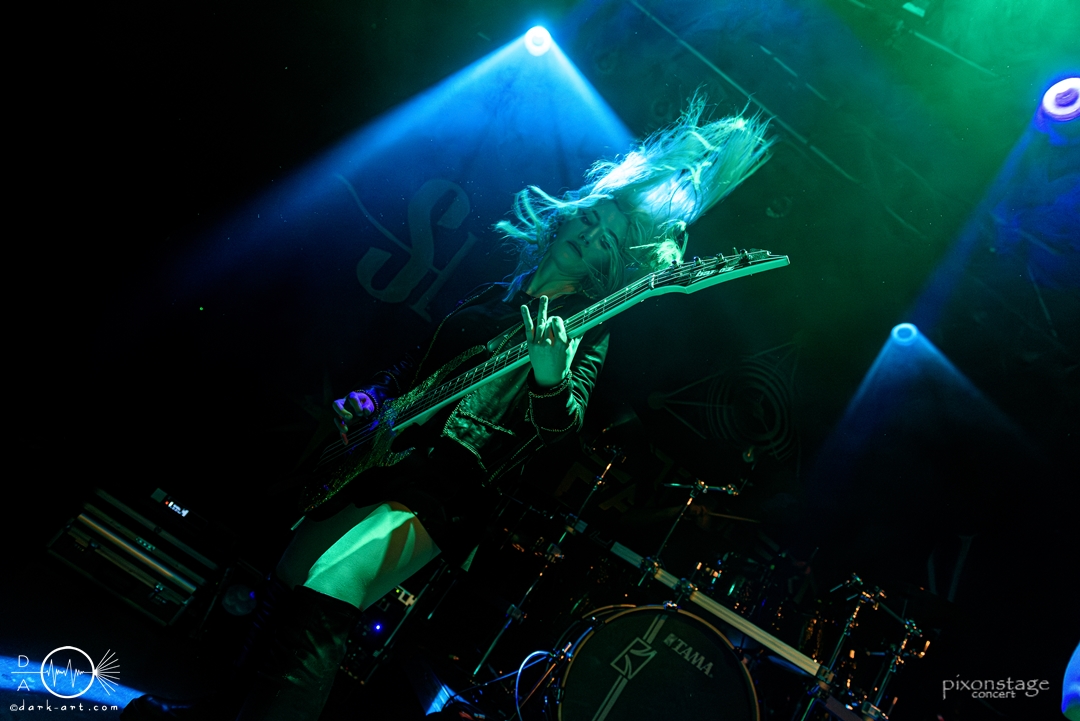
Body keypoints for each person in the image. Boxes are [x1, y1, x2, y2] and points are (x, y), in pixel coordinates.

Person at [122, 94, 772, 721]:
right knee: (290, 575)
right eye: (593, 220)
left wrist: (550, 379)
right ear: (573, 213)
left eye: (608, 241)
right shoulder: (495, 293)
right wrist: (371, 398)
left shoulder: (586, 327)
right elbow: (415, 367)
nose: (592, 236)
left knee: (330, 591)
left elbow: (563, 433)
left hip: (445, 487)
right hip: (387, 453)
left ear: (612, 265)